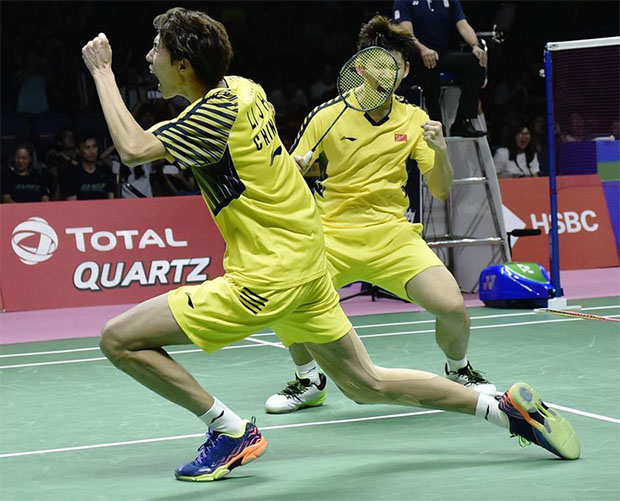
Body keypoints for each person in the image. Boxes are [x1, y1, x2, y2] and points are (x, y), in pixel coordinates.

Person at [82, 7, 580, 483]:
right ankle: (502, 410)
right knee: (368, 384)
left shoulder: (210, 118)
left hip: (268, 275)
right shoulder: (246, 90)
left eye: (156, 49)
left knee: (118, 339)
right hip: (309, 262)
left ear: (184, 64)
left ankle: (228, 429)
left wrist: (102, 72)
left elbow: (132, 149)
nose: (148, 58)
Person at [265, 14, 494, 414]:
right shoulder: (326, 117)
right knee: (283, 294)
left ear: (405, 70)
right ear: (360, 67)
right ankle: (309, 380)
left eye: (395, 65)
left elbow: (440, 190)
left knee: (452, 306)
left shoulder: (416, 119)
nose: (386, 72)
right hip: (331, 234)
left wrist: (440, 152)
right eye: (377, 63)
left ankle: (458, 368)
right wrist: (294, 170)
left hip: (392, 235)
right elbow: (288, 177)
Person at [393, 0, 487, 137]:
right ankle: (437, 124)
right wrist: (423, 50)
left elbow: (463, 25)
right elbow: (406, 33)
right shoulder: (403, 1)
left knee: (475, 62)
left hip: (441, 53)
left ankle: (462, 121)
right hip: (416, 53)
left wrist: (475, 45)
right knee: (430, 67)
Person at [61, 132, 116, 200]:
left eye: (95, 147)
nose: (92, 151)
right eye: (87, 148)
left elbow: (111, 199)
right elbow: (72, 203)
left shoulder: (106, 172)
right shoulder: (71, 174)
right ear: (78, 150)